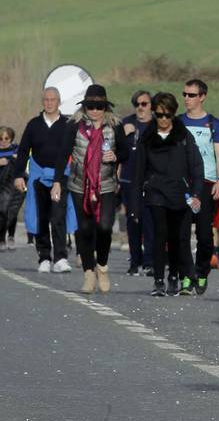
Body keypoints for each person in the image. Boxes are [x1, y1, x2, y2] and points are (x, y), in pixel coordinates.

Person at [53, 85, 130, 294]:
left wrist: (115, 156)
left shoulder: (115, 126)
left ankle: (102, 266)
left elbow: (126, 152)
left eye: (99, 106)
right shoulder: (74, 126)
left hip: (106, 185)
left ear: (106, 107)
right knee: (85, 229)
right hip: (80, 184)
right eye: (90, 106)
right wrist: (57, 181)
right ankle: (88, 272)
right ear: (84, 106)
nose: (95, 110)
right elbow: (62, 154)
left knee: (105, 227)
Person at [128, 92, 204, 297]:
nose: (163, 119)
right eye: (159, 114)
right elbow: (138, 173)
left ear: (173, 114)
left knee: (178, 237)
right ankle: (159, 279)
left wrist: (196, 193)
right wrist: (134, 206)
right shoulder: (147, 137)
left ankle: (174, 276)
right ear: (154, 113)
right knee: (159, 234)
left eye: (167, 115)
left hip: (180, 194)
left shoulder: (183, 136)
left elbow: (196, 166)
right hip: (155, 192)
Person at [14, 87, 72, 273]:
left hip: (60, 177)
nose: (49, 103)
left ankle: (61, 257)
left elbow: (74, 152)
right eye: (46, 99)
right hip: (38, 176)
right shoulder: (33, 125)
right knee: (41, 217)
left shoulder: (68, 124)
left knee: (58, 217)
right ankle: (44, 257)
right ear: (43, 102)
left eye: (52, 99)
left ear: (59, 102)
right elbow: (23, 150)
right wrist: (18, 174)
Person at [178, 79, 219, 294]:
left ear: (202, 97)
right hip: (183, 184)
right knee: (181, 234)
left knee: (205, 235)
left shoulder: (213, 123)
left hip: (206, 183)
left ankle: (202, 271)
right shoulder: (178, 122)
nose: (187, 98)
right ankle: (186, 275)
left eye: (192, 95)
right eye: (185, 94)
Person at [119, 91, 154, 276]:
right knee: (133, 220)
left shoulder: (156, 124)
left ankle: (149, 260)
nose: (140, 107)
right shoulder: (127, 122)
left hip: (149, 180)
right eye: (137, 103)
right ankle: (135, 260)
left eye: (144, 103)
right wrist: (124, 135)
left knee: (149, 221)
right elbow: (117, 150)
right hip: (129, 179)